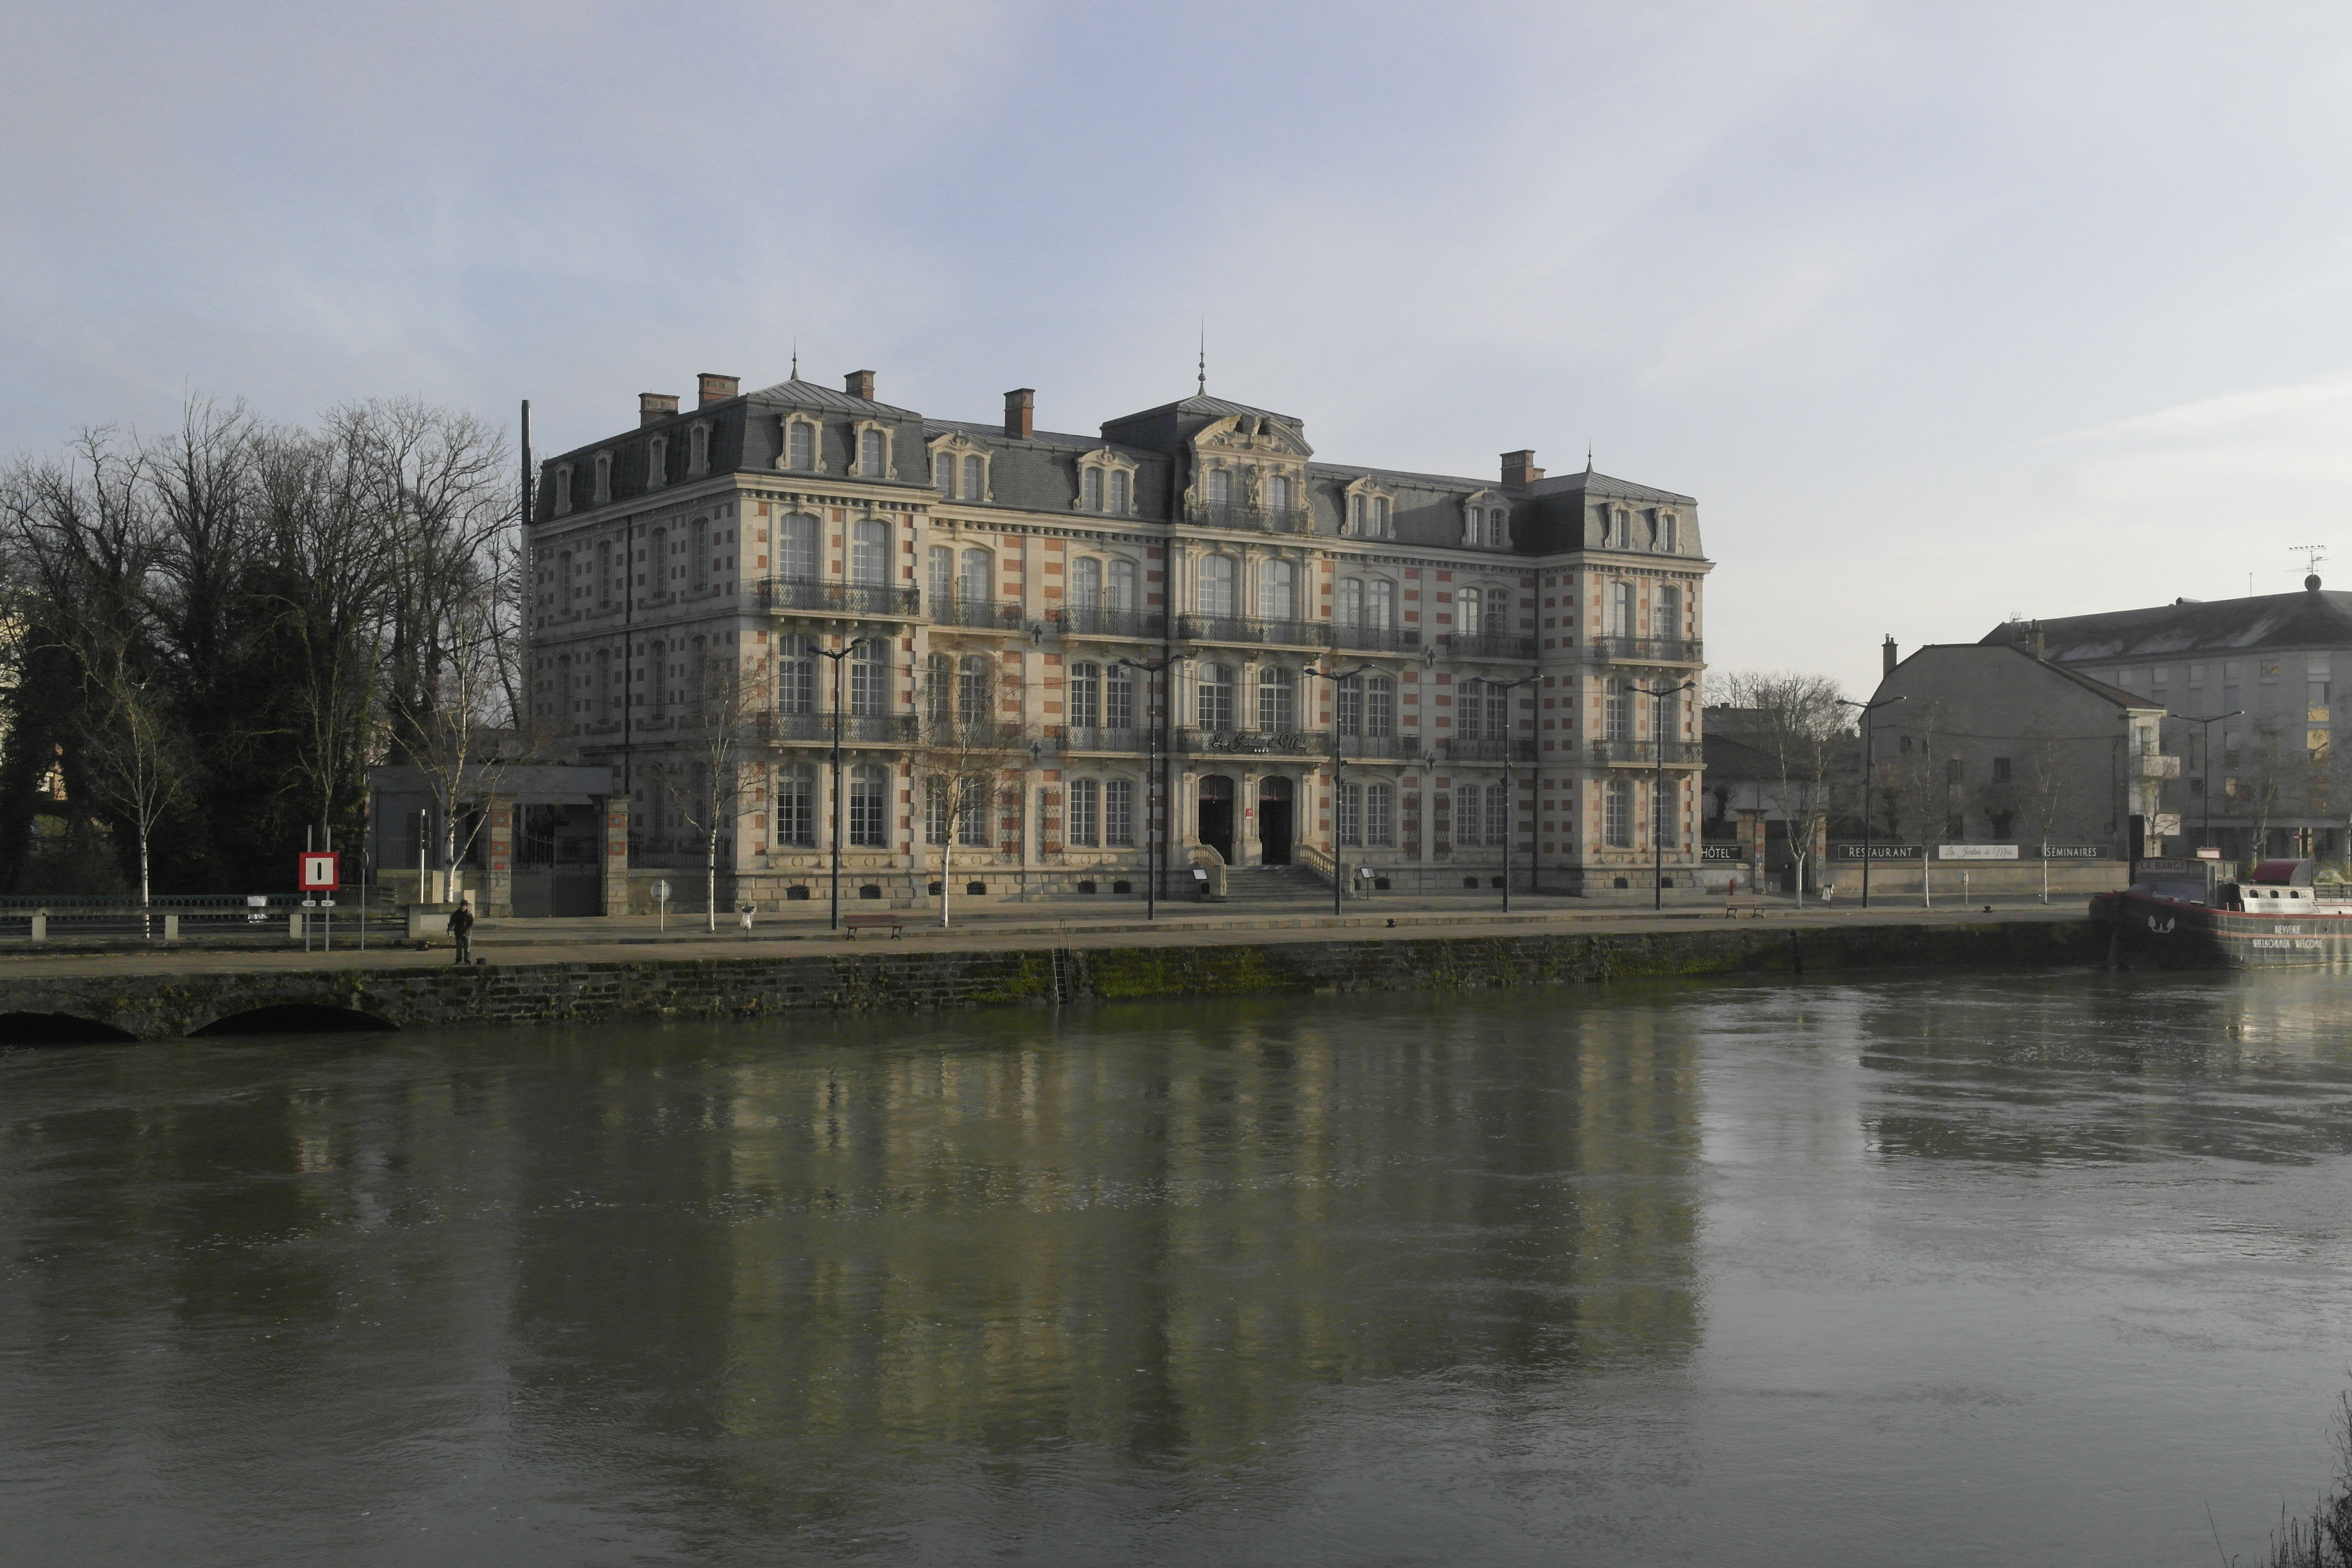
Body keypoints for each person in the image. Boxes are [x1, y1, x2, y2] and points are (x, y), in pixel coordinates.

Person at [448, 901, 475, 965]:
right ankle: (458, 960)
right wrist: (449, 930)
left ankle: (467, 960)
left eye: (464, 906)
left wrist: (467, 932)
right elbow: (452, 922)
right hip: (458, 932)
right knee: (459, 947)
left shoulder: (469, 914)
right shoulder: (456, 914)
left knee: (467, 947)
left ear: (466, 907)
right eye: (462, 906)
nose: (463, 907)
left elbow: (471, 924)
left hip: (467, 933)